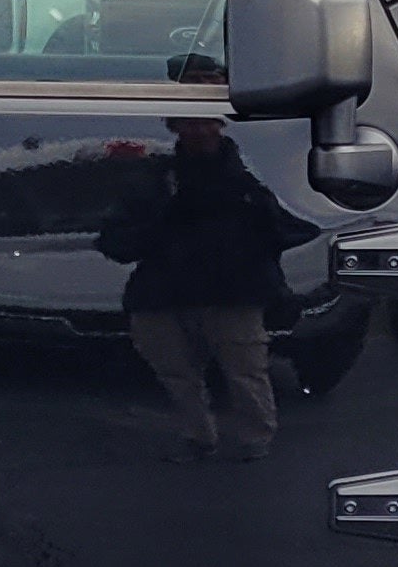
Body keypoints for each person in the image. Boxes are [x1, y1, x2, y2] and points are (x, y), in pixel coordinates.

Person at [96, 116, 315, 461]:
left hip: (232, 292)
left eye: (206, 123)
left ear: (220, 125)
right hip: (163, 293)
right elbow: (114, 239)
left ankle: (255, 438)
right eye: (189, 123)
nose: (199, 131)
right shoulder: (154, 179)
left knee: (245, 372)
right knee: (176, 372)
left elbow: (289, 228)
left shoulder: (251, 178)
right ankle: (198, 437)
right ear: (174, 127)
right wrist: (161, 225)